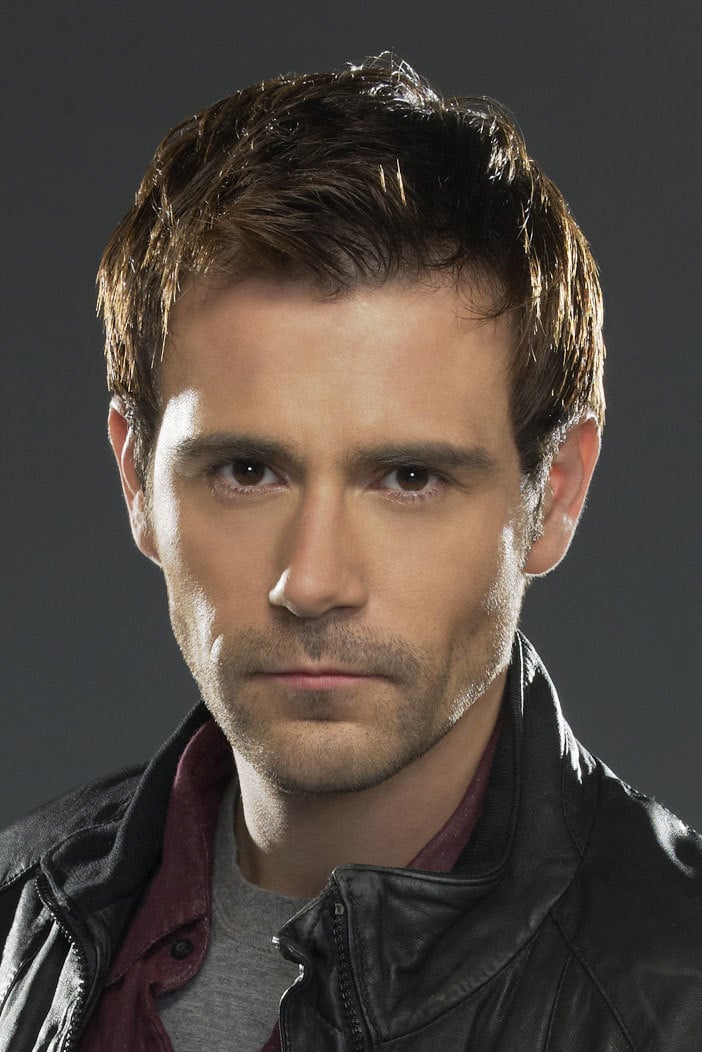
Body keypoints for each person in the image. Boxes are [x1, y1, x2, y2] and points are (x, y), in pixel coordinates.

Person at [0, 57, 699, 1052]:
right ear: (136, 480)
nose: (313, 581)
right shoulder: (14, 923)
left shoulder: (677, 990)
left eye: (408, 477)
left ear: (555, 494)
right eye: (247, 471)